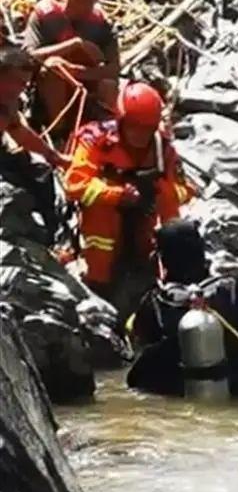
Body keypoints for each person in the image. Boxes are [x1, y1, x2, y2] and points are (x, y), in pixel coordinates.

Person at [63, 81, 196, 318]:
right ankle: (97, 283)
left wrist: (158, 190)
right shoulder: (96, 139)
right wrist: (116, 194)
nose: (141, 135)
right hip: (102, 230)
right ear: (122, 119)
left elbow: (184, 190)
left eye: (148, 128)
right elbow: (75, 184)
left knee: (181, 232)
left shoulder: (162, 149)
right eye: (136, 127)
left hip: (144, 227)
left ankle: (171, 286)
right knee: (102, 214)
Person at [127, 219, 238, 398]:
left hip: (175, 392)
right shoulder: (233, 288)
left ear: (163, 258)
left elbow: (138, 347)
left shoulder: (155, 300)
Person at [23, 0, 119, 135]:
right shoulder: (43, 16)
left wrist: (77, 73)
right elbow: (28, 56)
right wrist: (74, 44)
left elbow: (113, 69)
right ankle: (58, 133)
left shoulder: (103, 26)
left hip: (87, 93)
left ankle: (105, 133)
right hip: (50, 96)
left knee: (110, 85)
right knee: (54, 65)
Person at [0, 45, 69, 240]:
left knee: (42, 176)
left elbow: (19, 133)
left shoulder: (9, 102)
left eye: (25, 84)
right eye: (17, 82)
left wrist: (53, 156)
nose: (20, 89)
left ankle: (53, 237)